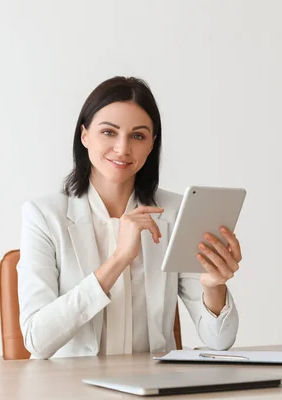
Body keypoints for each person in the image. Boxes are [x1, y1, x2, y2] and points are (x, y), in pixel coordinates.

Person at [17, 76, 240, 360]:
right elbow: (37, 341)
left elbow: (220, 341)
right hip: (72, 387)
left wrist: (213, 285)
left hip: (154, 386)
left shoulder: (176, 211)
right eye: (109, 132)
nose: (123, 149)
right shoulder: (45, 215)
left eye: (138, 135)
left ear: (152, 144)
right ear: (84, 135)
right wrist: (119, 258)